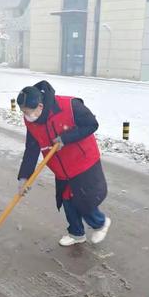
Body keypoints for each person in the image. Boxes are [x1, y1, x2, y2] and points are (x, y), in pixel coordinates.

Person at [16, 81, 111, 246]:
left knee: (83, 200)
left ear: (40, 106)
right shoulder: (31, 121)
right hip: (61, 167)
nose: (26, 116)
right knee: (67, 199)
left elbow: (92, 124)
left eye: (27, 112)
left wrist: (65, 138)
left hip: (82, 161)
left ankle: (100, 223)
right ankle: (76, 233)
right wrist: (24, 177)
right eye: (23, 112)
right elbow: (31, 149)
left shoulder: (69, 105)